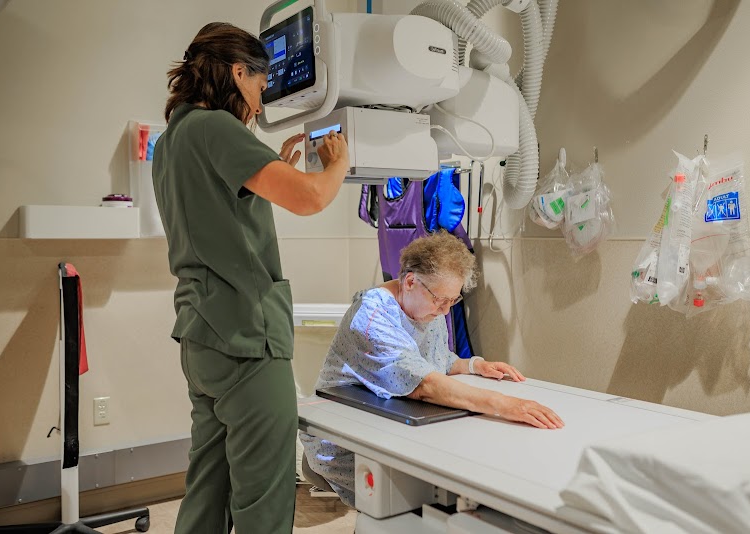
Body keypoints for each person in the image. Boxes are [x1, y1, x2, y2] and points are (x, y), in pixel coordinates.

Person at [152, 22, 349, 534]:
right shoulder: (218, 128)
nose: (260, 105)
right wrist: (338, 165)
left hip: (202, 338)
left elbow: (214, 217)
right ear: (238, 73)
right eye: (260, 87)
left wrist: (267, 172)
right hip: (246, 338)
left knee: (207, 490)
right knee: (264, 499)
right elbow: (311, 198)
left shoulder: (173, 140)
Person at [300, 231, 564, 507]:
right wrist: (505, 405)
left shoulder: (426, 308)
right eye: (441, 300)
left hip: (393, 426)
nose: (446, 311)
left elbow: (437, 361)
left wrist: (474, 365)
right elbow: (423, 384)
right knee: (427, 498)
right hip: (343, 440)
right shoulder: (373, 317)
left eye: (453, 301)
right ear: (411, 281)